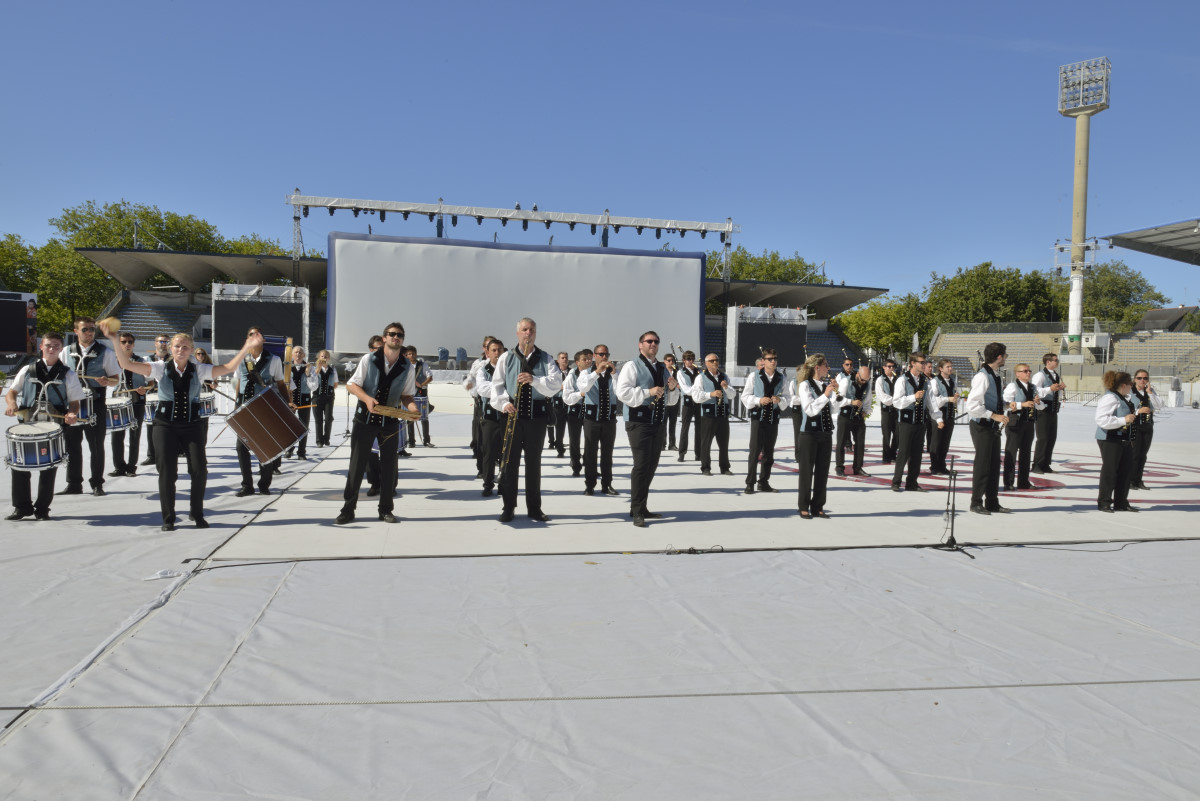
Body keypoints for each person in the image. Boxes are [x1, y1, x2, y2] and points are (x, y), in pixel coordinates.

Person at [103, 324, 261, 531]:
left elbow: (229, 368)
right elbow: (126, 364)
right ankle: (168, 518)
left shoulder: (199, 369)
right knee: (167, 472)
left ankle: (197, 513)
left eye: (185, 347)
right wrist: (115, 339)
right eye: (177, 346)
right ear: (170, 348)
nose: (181, 350)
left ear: (191, 349)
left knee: (199, 470)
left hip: (192, 424)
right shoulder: (160, 367)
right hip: (164, 425)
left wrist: (247, 346)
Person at [335, 323, 418, 525]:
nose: (395, 338)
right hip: (365, 419)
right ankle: (348, 509)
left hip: (389, 420)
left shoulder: (407, 366)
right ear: (384, 339)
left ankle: (386, 510)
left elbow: (406, 395)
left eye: (399, 335)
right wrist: (367, 399)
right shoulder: (369, 359)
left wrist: (413, 408)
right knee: (357, 465)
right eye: (392, 334)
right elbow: (352, 385)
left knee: (389, 466)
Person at [489, 317, 563, 524]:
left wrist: (535, 380)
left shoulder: (546, 358)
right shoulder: (507, 357)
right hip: (512, 418)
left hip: (536, 419)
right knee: (510, 464)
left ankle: (534, 508)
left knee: (534, 464)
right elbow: (497, 386)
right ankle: (508, 507)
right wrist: (504, 403)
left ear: (535, 333)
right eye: (524, 330)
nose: (528, 333)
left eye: (531, 330)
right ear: (518, 333)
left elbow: (557, 383)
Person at [4, 332, 84, 521]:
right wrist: (11, 403)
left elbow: (74, 402)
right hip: (28, 424)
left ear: (60, 349)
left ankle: (42, 509)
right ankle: (22, 507)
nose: (51, 349)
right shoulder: (27, 369)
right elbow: (12, 392)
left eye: (56, 346)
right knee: (20, 465)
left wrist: (72, 413)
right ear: (41, 346)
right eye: (48, 345)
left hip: (53, 426)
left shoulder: (68, 374)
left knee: (49, 467)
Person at [615, 331, 679, 527]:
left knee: (651, 465)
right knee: (641, 465)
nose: (653, 344)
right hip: (638, 421)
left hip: (657, 422)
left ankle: (641, 507)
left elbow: (671, 400)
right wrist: (647, 392)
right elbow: (622, 393)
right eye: (649, 341)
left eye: (656, 341)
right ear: (640, 344)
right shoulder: (631, 365)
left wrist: (673, 388)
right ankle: (636, 510)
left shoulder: (663, 368)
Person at [61, 316, 120, 496]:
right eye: (85, 329)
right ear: (76, 331)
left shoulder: (106, 352)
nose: (89, 332)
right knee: (71, 445)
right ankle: (73, 484)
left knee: (96, 445)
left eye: (91, 329)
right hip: (73, 405)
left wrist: (106, 381)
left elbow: (115, 380)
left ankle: (97, 484)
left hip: (95, 404)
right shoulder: (66, 351)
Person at [232, 327, 287, 496]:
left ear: (263, 340)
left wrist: (287, 404)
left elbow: (280, 384)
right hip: (244, 408)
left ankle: (264, 484)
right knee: (241, 448)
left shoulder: (275, 359)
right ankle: (247, 485)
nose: (254, 337)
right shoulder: (241, 359)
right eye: (251, 334)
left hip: (264, 409)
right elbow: (239, 383)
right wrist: (236, 405)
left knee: (265, 447)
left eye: (258, 335)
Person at [965, 342, 1011, 515]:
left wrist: (1007, 406)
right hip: (982, 426)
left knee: (993, 466)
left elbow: (993, 401)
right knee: (983, 465)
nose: (1006, 358)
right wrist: (994, 415)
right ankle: (976, 502)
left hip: (991, 426)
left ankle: (992, 501)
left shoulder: (995, 375)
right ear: (999, 357)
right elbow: (972, 405)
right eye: (1005, 355)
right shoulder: (982, 376)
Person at [792, 353, 837, 519]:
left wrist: (834, 395)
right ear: (817, 367)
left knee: (822, 472)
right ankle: (803, 506)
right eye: (826, 365)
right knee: (806, 472)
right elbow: (810, 410)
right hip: (809, 434)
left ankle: (818, 506)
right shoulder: (805, 385)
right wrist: (825, 395)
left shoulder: (825, 385)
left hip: (825, 433)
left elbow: (832, 410)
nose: (828, 368)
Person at [741, 346, 791, 493]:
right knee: (755, 451)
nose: (773, 361)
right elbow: (745, 396)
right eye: (770, 359)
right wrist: (758, 400)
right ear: (763, 361)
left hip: (773, 418)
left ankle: (764, 482)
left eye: (775, 359)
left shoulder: (782, 377)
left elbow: (788, 397)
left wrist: (779, 399)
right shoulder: (754, 376)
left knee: (769, 453)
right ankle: (750, 482)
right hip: (758, 418)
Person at [576, 343, 621, 496]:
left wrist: (614, 374)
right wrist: (596, 372)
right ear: (594, 356)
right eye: (601, 354)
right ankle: (590, 485)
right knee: (590, 453)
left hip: (609, 419)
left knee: (607, 454)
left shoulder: (614, 374)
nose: (604, 357)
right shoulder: (586, 373)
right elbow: (583, 388)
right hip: (591, 420)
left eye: (606, 355)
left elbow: (620, 392)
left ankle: (607, 484)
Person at [1094, 371, 1140, 513]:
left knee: (1125, 471)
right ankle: (1104, 502)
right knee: (1110, 471)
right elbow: (1101, 419)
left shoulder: (1123, 398)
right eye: (1131, 384)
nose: (1132, 386)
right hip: (1110, 439)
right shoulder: (1110, 398)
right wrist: (1123, 420)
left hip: (1123, 438)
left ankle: (1121, 501)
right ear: (1124, 385)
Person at [108, 332, 149, 478]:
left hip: (136, 401)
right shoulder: (112, 361)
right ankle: (119, 466)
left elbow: (150, 381)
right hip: (118, 402)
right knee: (117, 436)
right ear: (119, 344)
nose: (127, 344)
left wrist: (145, 388)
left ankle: (131, 467)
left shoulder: (141, 360)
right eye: (124, 342)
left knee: (134, 435)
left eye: (130, 342)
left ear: (134, 344)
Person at [890, 352, 929, 493]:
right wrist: (913, 397)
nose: (924, 365)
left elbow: (929, 401)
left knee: (917, 453)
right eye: (921, 362)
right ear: (913, 363)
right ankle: (896, 481)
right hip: (906, 422)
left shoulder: (925, 380)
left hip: (920, 421)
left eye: (925, 363)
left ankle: (912, 482)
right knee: (904, 452)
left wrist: (938, 417)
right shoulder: (902, 380)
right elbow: (897, 402)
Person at [691, 353, 733, 477]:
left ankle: (724, 467)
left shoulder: (725, 376)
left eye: (717, 360)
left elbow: (731, 395)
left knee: (724, 443)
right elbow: (696, 396)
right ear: (706, 363)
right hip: (708, 415)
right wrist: (711, 394)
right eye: (712, 360)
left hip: (723, 415)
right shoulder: (701, 378)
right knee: (706, 443)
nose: (715, 362)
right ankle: (705, 467)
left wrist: (726, 388)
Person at [1003, 363, 1042, 492]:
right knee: (1011, 453)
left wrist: (1038, 402)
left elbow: (1040, 407)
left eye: (1029, 371)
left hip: (1029, 422)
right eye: (1025, 371)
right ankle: (1008, 482)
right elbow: (1007, 404)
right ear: (1017, 374)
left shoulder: (1033, 387)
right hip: (1015, 422)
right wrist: (1022, 404)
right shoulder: (1012, 386)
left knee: (1026, 454)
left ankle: (1023, 481)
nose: (1028, 373)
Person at [474, 338, 506, 496]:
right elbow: (482, 389)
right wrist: (502, 387)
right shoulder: (483, 370)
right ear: (487, 352)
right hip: (490, 417)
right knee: (488, 452)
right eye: (494, 350)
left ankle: (504, 483)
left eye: (500, 350)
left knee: (506, 453)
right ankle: (488, 484)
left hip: (507, 417)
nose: (497, 353)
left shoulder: (510, 369)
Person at [1031, 354, 1067, 474]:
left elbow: (1056, 393)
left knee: (1051, 437)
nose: (1057, 362)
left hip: (1052, 408)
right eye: (1055, 360)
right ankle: (1037, 464)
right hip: (1042, 408)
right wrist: (1050, 389)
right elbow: (1035, 390)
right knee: (1043, 438)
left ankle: (1046, 464)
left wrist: (1060, 389)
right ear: (1048, 362)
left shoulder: (1055, 375)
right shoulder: (1040, 375)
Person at [835, 364, 873, 477]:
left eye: (866, 380)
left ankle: (858, 467)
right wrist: (851, 402)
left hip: (858, 417)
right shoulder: (846, 382)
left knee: (860, 443)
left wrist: (866, 411)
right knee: (841, 443)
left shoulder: (867, 384)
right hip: (845, 416)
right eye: (862, 379)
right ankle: (839, 467)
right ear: (857, 374)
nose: (864, 382)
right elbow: (838, 400)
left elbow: (868, 400)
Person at [465, 335, 495, 474]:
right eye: (488, 346)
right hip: (480, 404)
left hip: (495, 405)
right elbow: (470, 379)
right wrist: (472, 391)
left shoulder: (501, 363)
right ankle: (481, 468)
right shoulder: (478, 363)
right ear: (484, 348)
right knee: (479, 438)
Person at [141, 334, 172, 466]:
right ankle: (152, 455)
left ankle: (170, 454)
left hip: (169, 397)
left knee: (170, 428)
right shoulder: (147, 359)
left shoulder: (173, 359)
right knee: (150, 426)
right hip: (152, 397)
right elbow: (145, 379)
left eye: (166, 342)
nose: (164, 344)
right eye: (161, 341)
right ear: (155, 343)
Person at [1129, 370, 1161, 491]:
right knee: (1135, 454)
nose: (1142, 380)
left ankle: (1138, 480)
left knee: (1143, 455)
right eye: (1139, 378)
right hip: (1135, 425)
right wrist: (1138, 411)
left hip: (1148, 426)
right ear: (1134, 379)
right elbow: (1124, 409)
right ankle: (1130, 480)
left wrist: (1151, 394)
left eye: (1145, 378)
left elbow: (1158, 406)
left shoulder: (1150, 391)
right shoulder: (1130, 392)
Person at [561, 349, 590, 477]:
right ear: (578, 362)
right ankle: (576, 464)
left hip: (590, 410)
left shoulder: (594, 373)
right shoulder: (572, 375)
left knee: (591, 440)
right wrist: (580, 394)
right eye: (585, 359)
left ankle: (590, 465)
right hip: (575, 410)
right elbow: (566, 396)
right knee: (574, 439)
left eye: (589, 359)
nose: (588, 361)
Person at [927, 359, 959, 476]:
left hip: (949, 414)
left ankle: (942, 464)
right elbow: (934, 400)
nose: (950, 369)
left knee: (945, 442)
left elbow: (952, 396)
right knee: (936, 441)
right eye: (947, 367)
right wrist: (948, 399)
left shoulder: (952, 381)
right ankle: (934, 466)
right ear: (940, 368)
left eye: (951, 366)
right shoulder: (935, 381)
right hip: (938, 414)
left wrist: (955, 398)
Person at [285, 346, 315, 460]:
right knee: (289, 425)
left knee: (303, 426)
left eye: (300, 352)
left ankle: (301, 452)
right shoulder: (287, 367)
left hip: (304, 398)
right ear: (292, 354)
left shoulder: (310, 367)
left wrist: (308, 374)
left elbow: (314, 387)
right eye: (296, 352)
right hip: (290, 400)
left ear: (304, 355)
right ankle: (289, 449)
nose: (298, 354)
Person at [404, 345, 434, 448]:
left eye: (412, 353)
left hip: (421, 394)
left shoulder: (423, 365)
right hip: (409, 395)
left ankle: (426, 440)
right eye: (409, 354)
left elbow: (430, 377)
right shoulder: (404, 365)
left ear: (416, 354)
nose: (411, 355)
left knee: (424, 418)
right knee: (410, 418)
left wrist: (421, 384)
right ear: (406, 355)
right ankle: (411, 441)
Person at [675, 351, 701, 462]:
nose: (690, 361)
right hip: (687, 403)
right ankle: (682, 453)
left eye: (692, 359)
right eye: (688, 359)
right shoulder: (680, 372)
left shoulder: (699, 372)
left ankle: (698, 454)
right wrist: (697, 390)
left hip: (699, 402)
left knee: (699, 429)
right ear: (684, 361)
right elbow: (685, 389)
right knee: (685, 429)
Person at [311, 350, 338, 447]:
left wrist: (328, 389)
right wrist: (317, 369)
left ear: (329, 358)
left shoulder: (333, 369)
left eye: (326, 356)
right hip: (317, 397)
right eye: (322, 356)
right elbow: (312, 381)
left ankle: (326, 438)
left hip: (329, 397)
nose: (324, 358)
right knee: (318, 419)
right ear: (319, 357)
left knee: (328, 418)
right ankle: (319, 440)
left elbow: (335, 384)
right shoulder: (314, 369)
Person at [874, 360, 899, 464]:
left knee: (898, 434)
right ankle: (886, 455)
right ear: (884, 367)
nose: (891, 368)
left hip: (897, 411)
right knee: (887, 434)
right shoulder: (880, 380)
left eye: (893, 366)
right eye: (889, 366)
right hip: (886, 410)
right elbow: (882, 396)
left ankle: (893, 454)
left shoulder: (898, 379)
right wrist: (896, 400)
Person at [547, 351, 570, 457]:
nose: (564, 359)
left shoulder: (572, 372)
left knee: (572, 428)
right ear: (558, 360)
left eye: (566, 358)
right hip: (558, 402)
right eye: (562, 358)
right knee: (559, 427)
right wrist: (558, 387)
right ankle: (559, 448)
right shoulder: (554, 373)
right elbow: (549, 386)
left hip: (570, 403)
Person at [834, 357, 855, 455]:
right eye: (847, 364)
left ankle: (854, 444)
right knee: (845, 427)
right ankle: (848, 444)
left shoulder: (855, 375)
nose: (849, 366)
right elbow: (837, 392)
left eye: (851, 364)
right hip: (844, 403)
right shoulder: (840, 376)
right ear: (843, 365)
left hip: (854, 404)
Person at [661, 352, 680, 451]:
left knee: (673, 423)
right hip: (664, 400)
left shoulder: (678, 372)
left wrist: (678, 386)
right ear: (665, 361)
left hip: (675, 400)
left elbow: (681, 384)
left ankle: (672, 444)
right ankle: (662, 444)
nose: (671, 362)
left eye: (672, 360)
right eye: (669, 360)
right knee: (663, 423)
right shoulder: (662, 371)